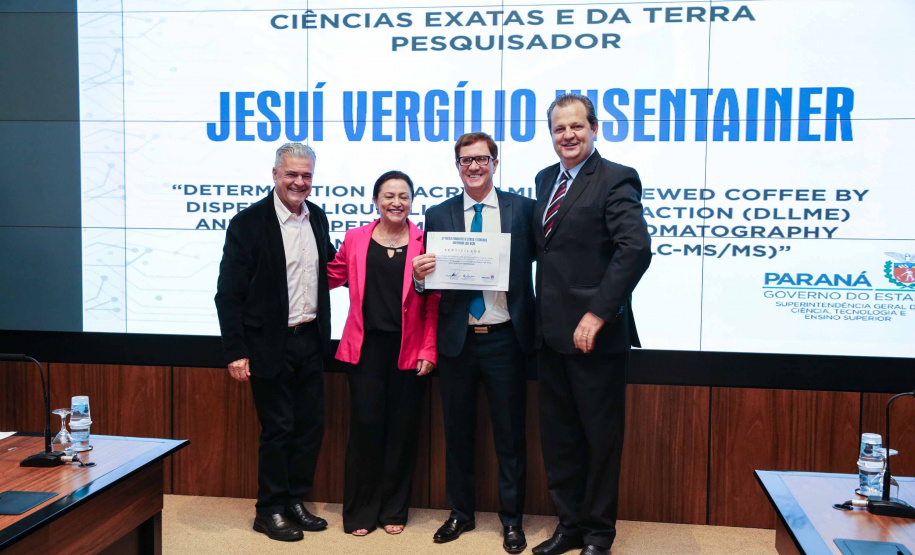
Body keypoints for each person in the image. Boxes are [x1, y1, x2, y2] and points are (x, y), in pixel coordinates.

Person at [531, 94, 652, 555]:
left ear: (594, 128)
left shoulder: (616, 177)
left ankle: (599, 534)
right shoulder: (545, 179)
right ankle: (569, 527)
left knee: (599, 440)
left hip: (594, 336)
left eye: (576, 126)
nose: (568, 135)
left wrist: (598, 312)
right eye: (559, 128)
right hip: (550, 334)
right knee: (560, 438)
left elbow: (634, 249)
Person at [412, 132, 536, 554]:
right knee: (458, 432)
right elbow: (432, 283)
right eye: (466, 160)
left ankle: (512, 520)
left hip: (506, 339)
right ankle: (460, 513)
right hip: (459, 340)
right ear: (457, 167)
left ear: (495, 163)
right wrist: (420, 277)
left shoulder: (523, 209)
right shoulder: (439, 213)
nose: (474, 167)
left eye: (482, 159)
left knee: (510, 436)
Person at [214, 142, 335, 542]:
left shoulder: (317, 217)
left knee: (310, 427)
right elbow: (228, 294)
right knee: (279, 428)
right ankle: (268, 511)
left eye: (306, 175)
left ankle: (295, 501)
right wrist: (236, 351)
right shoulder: (248, 223)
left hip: (310, 340)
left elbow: (333, 267)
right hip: (269, 343)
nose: (299, 182)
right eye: (291, 174)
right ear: (275, 174)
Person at [326, 170, 439, 536]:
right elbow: (331, 275)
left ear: (412, 202)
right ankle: (360, 513)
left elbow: (433, 302)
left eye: (404, 196)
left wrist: (429, 348)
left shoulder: (425, 242)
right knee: (365, 429)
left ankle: (393, 510)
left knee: (402, 432)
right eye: (389, 196)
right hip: (365, 349)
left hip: (409, 350)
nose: (396, 202)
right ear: (375, 200)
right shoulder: (356, 238)